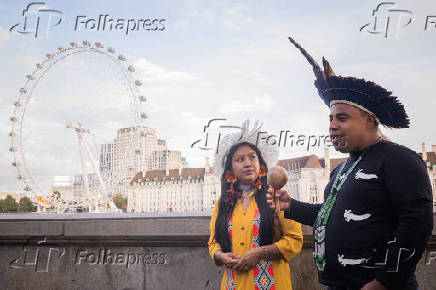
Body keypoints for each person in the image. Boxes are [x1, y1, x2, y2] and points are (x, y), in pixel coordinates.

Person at [266, 37, 433, 290]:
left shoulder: (400, 159)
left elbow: (416, 225)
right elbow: (330, 216)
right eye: (331, 118)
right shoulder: (341, 169)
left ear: (369, 121)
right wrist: (290, 206)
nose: (332, 125)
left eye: (342, 118)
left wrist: (384, 282)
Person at [208, 120, 303, 290]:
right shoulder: (222, 204)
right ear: (230, 168)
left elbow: (294, 240)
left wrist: (261, 253)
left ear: (260, 165)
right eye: (240, 159)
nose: (247, 163)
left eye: (252, 157)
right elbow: (213, 242)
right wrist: (220, 256)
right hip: (233, 284)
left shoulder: (277, 197)